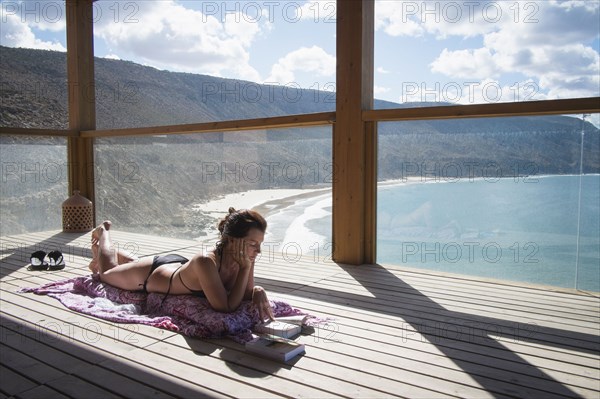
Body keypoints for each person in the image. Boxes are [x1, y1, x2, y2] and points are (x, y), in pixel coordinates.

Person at [88, 207, 274, 321]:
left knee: (133, 263)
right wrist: (246, 268)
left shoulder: (245, 258)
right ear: (233, 241)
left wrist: (257, 290)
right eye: (253, 244)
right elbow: (225, 307)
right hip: (150, 276)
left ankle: (122, 257)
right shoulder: (205, 261)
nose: (258, 251)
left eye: (260, 244)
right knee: (107, 273)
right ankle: (103, 232)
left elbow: (243, 294)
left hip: (175, 266)